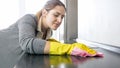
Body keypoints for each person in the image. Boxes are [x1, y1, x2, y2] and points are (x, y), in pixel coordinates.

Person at [0, 0, 103, 61]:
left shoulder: (48, 32)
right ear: (44, 12)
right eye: (56, 15)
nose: (59, 20)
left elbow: (41, 44)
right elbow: (27, 43)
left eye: (62, 17)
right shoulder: (29, 19)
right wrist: (68, 48)